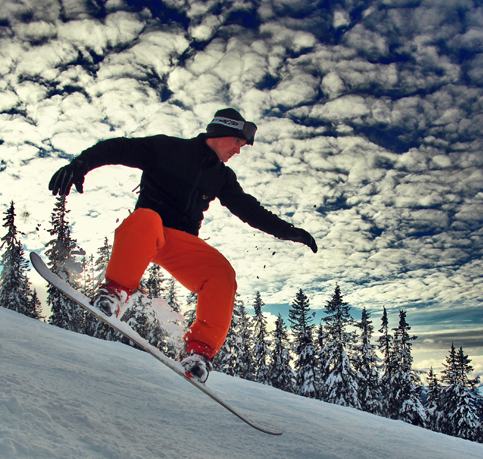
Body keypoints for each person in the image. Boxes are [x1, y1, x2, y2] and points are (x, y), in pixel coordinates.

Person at [48, 108, 317, 384]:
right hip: (144, 233)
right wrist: (80, 164)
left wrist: (290, 232)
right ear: (223, 132)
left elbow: (250, 210)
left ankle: (197, 352)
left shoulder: (221, 176)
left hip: (179, 243)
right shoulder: (168, 148)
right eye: (238, 142)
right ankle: (114, 293)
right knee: (148, 219)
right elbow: (119, 148)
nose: (238, 151)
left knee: (222, 273)